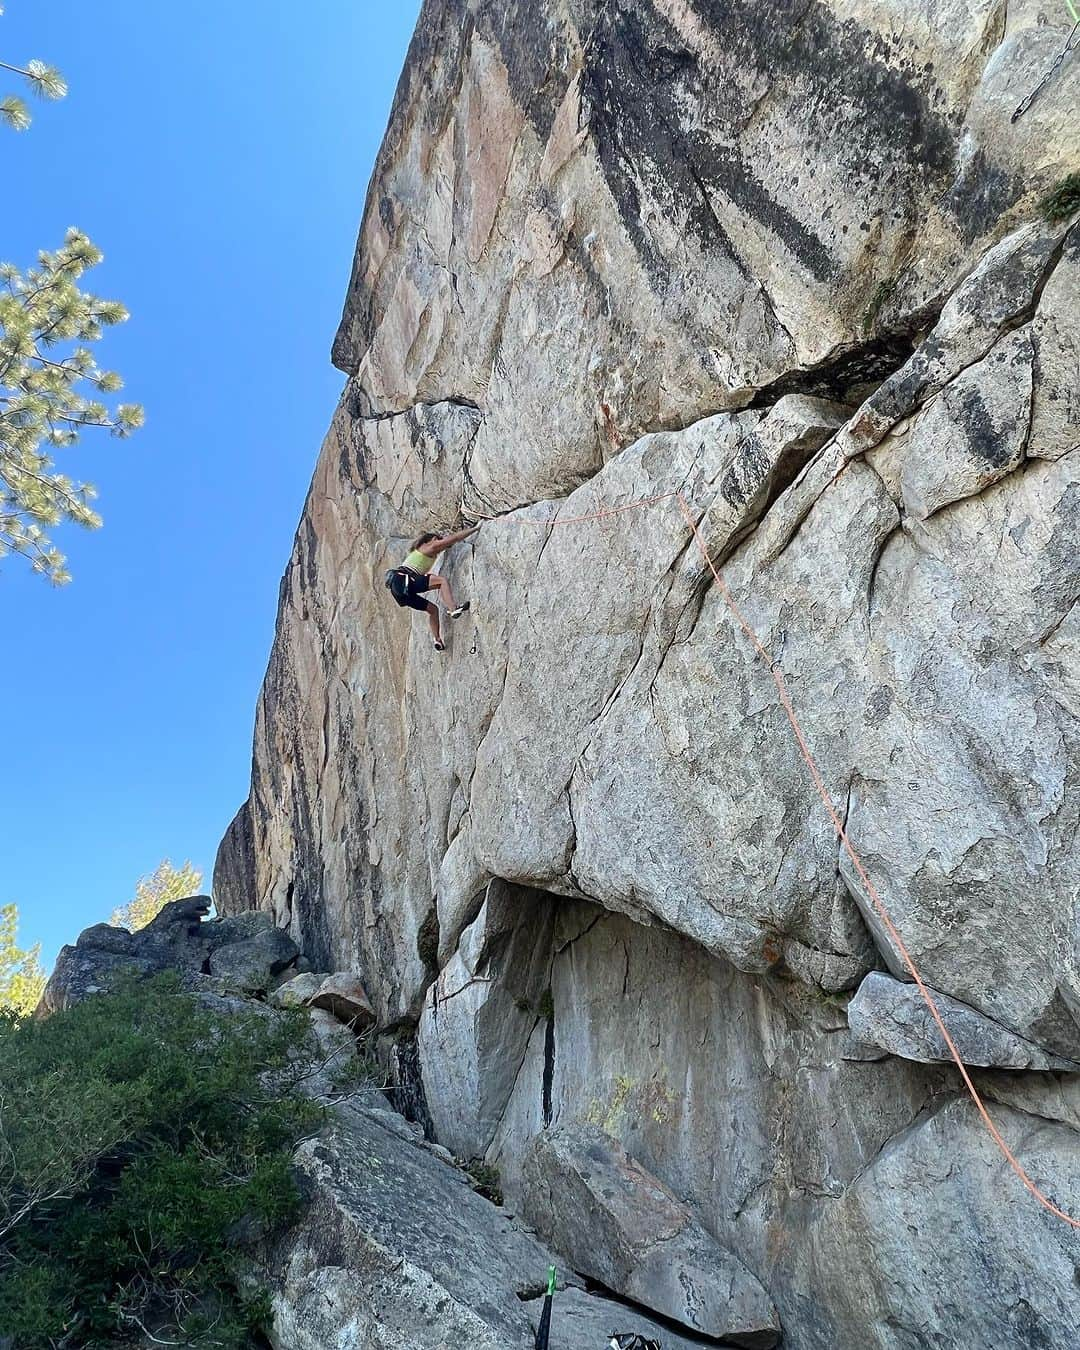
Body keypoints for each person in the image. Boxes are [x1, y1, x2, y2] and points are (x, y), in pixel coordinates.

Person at [385, 524, 478, 651]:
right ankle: (453, 608)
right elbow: (454, 538)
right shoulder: (429, 546)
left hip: (401, 592)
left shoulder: (418, 552)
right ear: (430, 540)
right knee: (441, 581)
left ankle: (437, 640)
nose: (439, 541)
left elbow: (447, 545)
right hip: (406, 580)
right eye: (437, 538)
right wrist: (476, 528)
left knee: (433, 610)